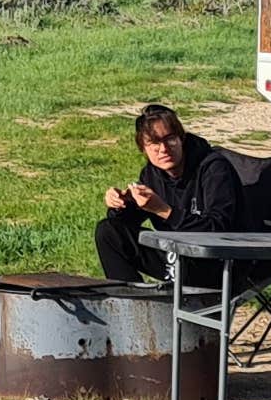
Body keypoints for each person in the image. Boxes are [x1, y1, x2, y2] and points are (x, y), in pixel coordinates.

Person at [94, 102, 251, 282]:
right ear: (143, 148)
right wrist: (120, 205)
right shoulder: (152, 174)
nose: (163, 149)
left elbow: (218, 230)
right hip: (177, 254)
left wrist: (164, 211)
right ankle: (128, 297)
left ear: (181, 139)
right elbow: (127, 222)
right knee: (108, 231)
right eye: (154, 143)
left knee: (185, 256)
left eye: (169, 139)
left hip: (220, 263)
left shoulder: (213, 169)